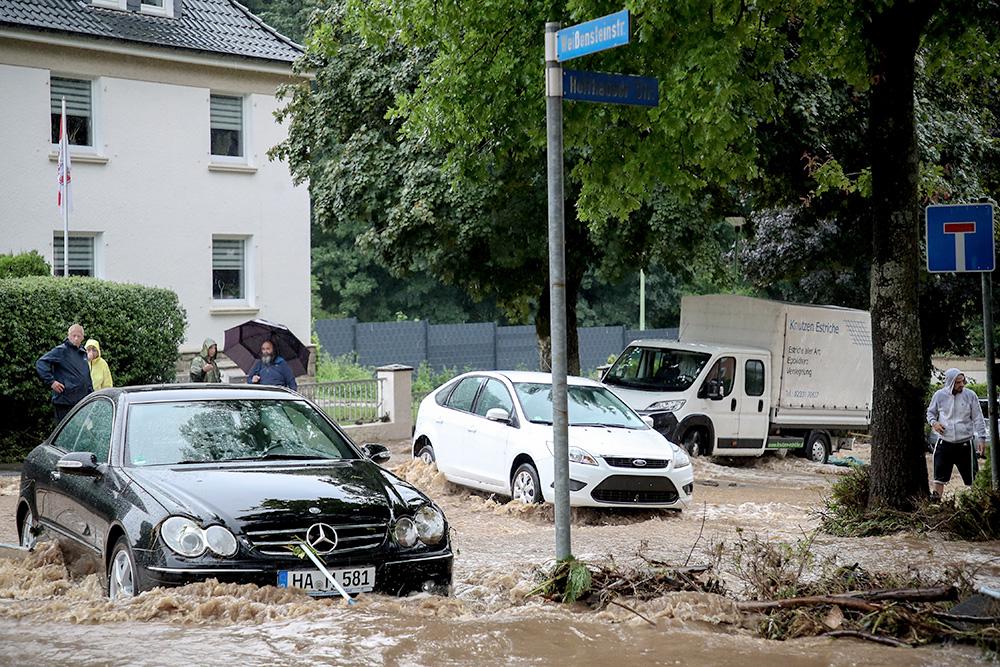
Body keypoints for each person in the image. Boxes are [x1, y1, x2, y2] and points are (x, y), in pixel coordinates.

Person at [926, 368, 987, 500]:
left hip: (965, 444)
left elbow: (978, 418)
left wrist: (982, 438)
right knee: (938, 478)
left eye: (962, 381)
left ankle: (977, 505)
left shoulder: (970, 395)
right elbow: (930, 413)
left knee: (974, 479)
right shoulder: (939, 396)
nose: (962, 385)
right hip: (944, 443)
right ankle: (936, 505)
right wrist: (934, 423)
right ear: (950, 382)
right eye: (958, 382)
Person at [36, 323, 93, 424]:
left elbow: (86, 377)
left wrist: (91, 395)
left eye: (78, 336)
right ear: (68, 336)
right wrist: (51, 382)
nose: (76, 338)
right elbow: (41, 363)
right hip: (64, 403)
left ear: (82, 338)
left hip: (81, 402)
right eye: (73, 335)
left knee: (79, 433)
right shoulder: (61, 350)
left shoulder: (83, 353)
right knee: (65, 434)